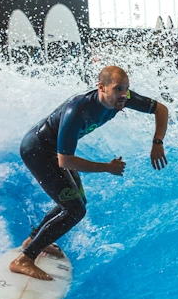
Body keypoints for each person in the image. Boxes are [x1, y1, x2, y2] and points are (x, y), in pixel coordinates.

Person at [10, 65, 169, 281]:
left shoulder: (123, 98)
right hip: (37, 150)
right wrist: (107, 167)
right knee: (75, 210)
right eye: (118, 89)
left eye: (127, 89)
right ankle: (25, 259)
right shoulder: (77, 109)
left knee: (77, 202)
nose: (124, 95)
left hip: (54, 151)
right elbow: (65, 160)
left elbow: (161, 109)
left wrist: (157, 142)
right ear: (101, 88)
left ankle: (33, 240)